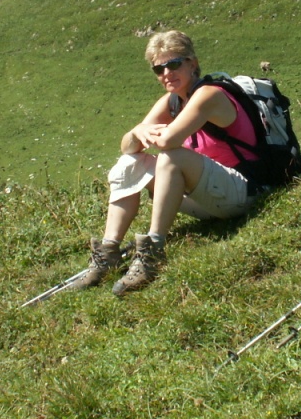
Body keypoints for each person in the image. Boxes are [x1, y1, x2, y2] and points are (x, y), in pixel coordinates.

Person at [67, 30, 262, 295]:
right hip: (210, 195)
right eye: (159, 68)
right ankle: (108, 252)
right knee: (129, 163)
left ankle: (153, 252)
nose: (166, 73)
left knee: (172, 157)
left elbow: (168, 141)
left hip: (243, 192)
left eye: (174, 64)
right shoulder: (172, 102)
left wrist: (145, 132)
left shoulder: (208, 95)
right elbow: (128, 147)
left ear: (192, 63)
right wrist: (137, 131)